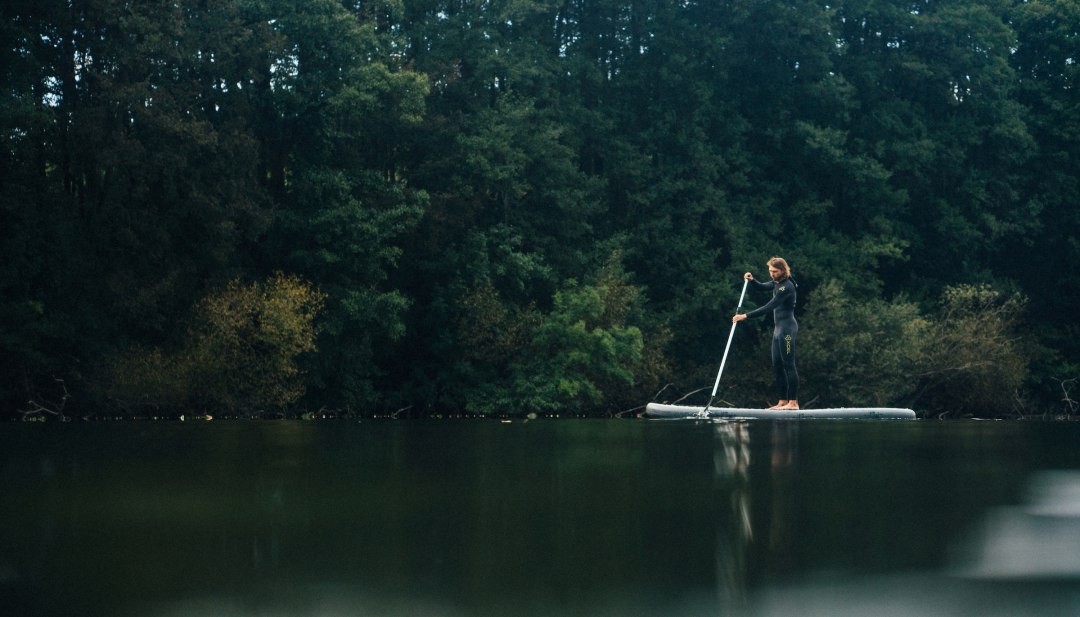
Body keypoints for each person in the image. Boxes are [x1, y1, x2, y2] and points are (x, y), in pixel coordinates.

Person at [732, 257, 799, 410]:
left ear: (783, 270)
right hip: (778, 330)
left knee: (788, 365)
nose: (772, 274)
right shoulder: (777, 283)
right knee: (777, 365)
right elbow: (762, 287)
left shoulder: (786, 287)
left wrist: (745, 316)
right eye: (770, 271)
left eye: (775, 271)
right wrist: (752, 280)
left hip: (787, 330)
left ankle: (793, 403)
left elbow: (770, 306)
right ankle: (782, 401)